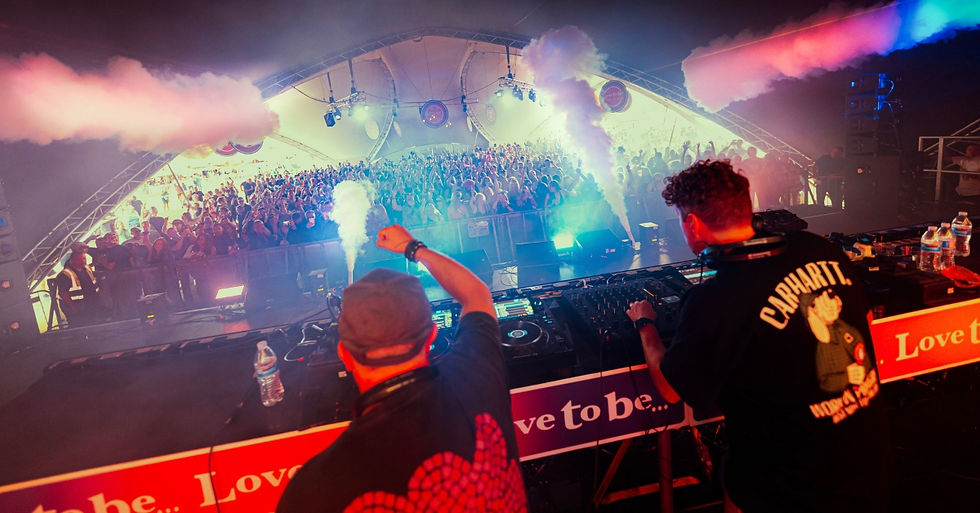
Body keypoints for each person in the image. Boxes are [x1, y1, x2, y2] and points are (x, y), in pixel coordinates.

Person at [626, 160, 889, 513]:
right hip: (868, 458)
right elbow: (865, 317)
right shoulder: (818, 248)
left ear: (692, 223)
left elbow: (672, 389)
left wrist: (645, 325)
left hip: (781, 485)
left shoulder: (715, 300)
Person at [277, 225, 527, 513]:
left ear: (345, 354)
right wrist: (414, 248)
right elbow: (476, 294)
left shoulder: (312, 489)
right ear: (432, 336)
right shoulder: (477, 376)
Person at [56, 251, 103, 327]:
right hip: (77, 308)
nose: (82, 261)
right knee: (79, 328)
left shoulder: (87, 268)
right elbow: (63, 294)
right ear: (72, 261)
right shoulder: (65, 274)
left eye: (84, 258)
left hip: (90, 305)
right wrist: (74, 309)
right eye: (79, 259)